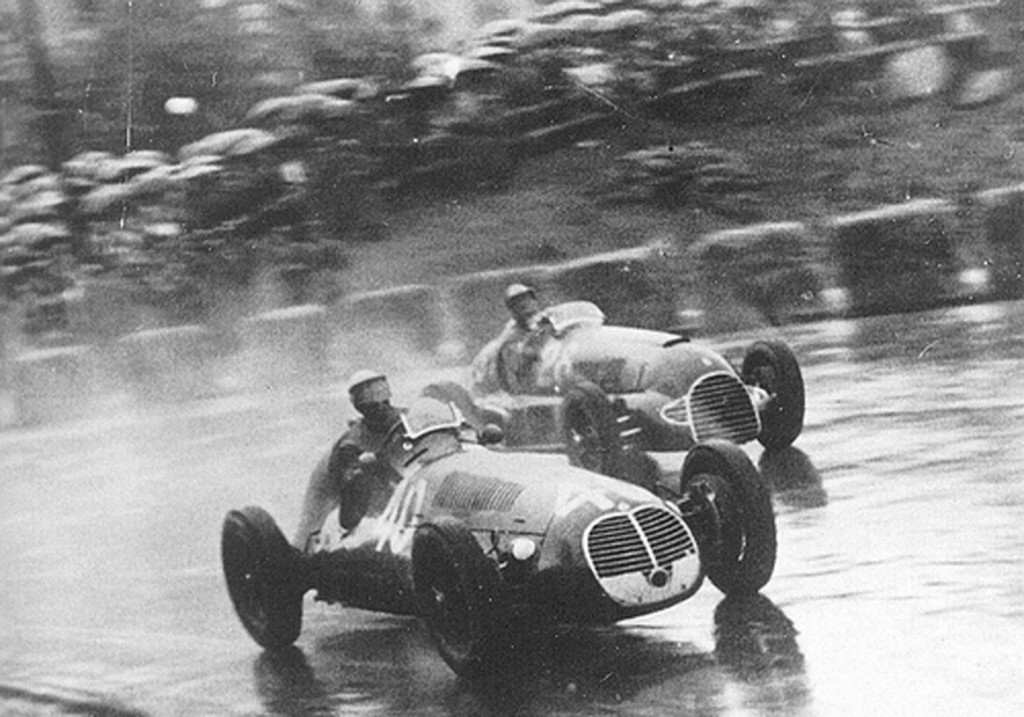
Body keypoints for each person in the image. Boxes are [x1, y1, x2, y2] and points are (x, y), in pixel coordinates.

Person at [292, 370, 403, 550]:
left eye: (379, 390)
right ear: (358, 403)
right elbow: (353, 498)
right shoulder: (352, 442)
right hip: (329, 482)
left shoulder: (408, 417)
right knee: (308, 529)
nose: (378, 402)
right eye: (367, 396)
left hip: (382, 476)